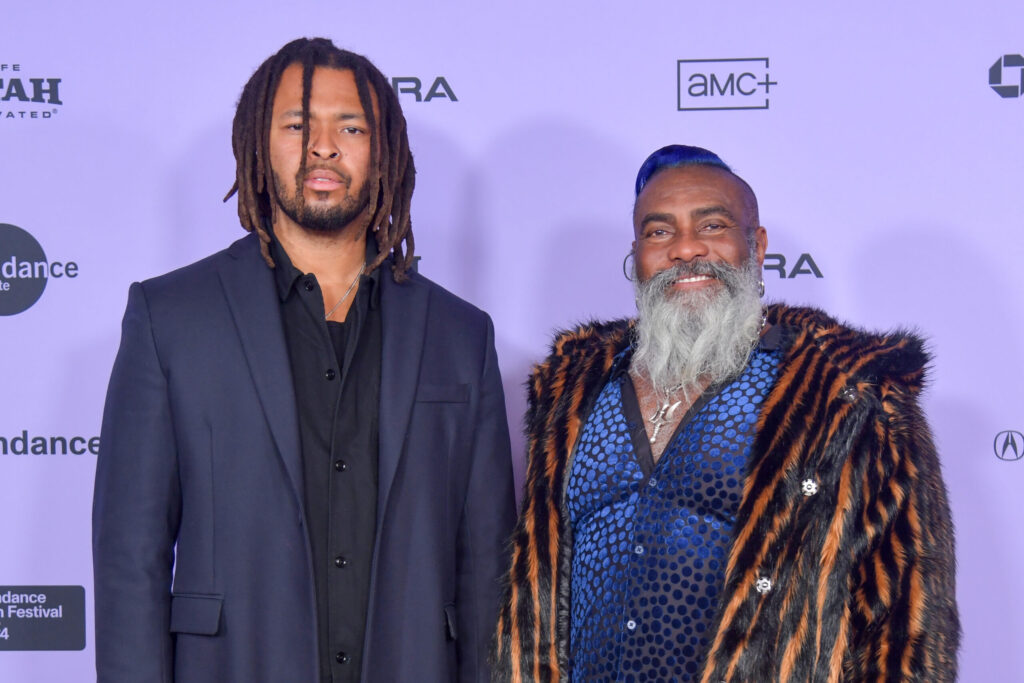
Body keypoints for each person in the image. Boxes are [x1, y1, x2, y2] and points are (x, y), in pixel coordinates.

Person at [93, 37, 515, 683]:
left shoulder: (461, 334)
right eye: (298, 124)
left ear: (385, 152)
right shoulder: (169, 317)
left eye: (350, 126)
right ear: (259, 143)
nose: (324, 145)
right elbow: (131, 559)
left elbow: (487, 567)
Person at [493, 145, 959, 682]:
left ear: (755, 245)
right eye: (659, 232)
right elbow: (532, 597)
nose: (686, 249)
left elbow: (908, 628)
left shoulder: (848, 393)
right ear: (637, 254)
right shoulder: (572, 390)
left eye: (712, 225)